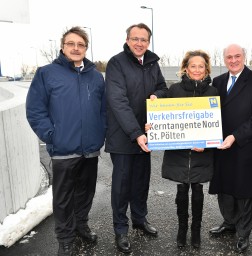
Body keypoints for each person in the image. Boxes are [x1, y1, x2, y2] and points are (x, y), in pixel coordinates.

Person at [26, 26, 106, 256]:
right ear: (62, 47)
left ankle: (81, 226)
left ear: (86, 48)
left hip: (90, 149)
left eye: (80, 44)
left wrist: (100, 133)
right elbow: (35, 109)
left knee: (86, 193)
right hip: (63, 150)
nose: (75, 48)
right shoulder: (47, 73)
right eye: (71, 44)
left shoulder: (95, 75)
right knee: (63, 199)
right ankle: (65, 238)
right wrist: (51, 136)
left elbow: (103, 110)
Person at [105, 23, 168, 254]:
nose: (139, 43)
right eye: (135, 39)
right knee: (122, 186)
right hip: (124, 137)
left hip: (147, 135)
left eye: (144, 39)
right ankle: (120, 229)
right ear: (127, 40)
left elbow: (163, 87)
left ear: (148, 42)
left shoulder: (152, 63)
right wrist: (136, 133)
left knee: (141, 181)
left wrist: (156, 95)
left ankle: (140, 220)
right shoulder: (116, 63)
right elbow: (118, 102)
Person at [208, 44, 252, 253]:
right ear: (224, 59)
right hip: (221, 146)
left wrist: (235, 136)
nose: (233, 60)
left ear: (244, 57)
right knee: (224, 189)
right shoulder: (217, 82)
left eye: (237, 56)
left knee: (244, 192)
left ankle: (243, 233)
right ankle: (229, 222)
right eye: (229, 57)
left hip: (245, 145)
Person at [160, 50, 218, 248]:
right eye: (193, 66)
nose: (197, 69)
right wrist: (154, 126)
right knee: (182, 189)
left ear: (206, 69)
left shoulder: (213, 92)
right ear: (186, 68)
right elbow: (164, 118)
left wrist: (207, 142)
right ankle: (182, 228)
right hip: (179, 152)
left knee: (198, 190)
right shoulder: (174, 90)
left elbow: (217, 124)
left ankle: (196, 230)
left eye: (201, 66)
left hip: (202, 152)